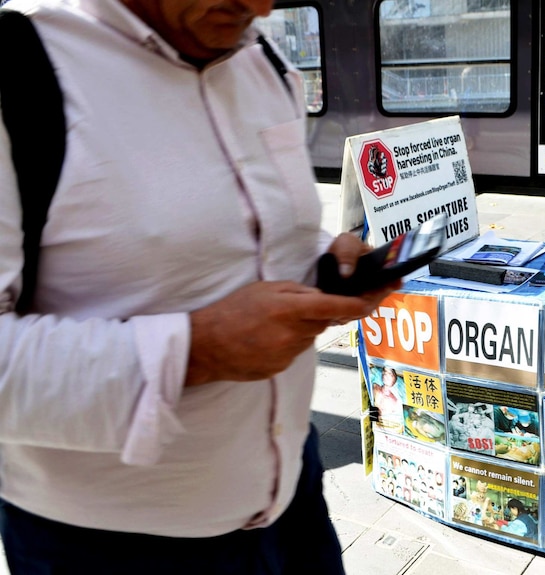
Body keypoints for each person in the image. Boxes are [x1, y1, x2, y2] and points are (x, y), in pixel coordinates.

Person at [0, 1, 400, 573]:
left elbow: (247, 226)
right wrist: (194, 351)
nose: (260, 6)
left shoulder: (261, 56)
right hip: (107, 546)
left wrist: (318, 260)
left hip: (292, 497)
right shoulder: (21, 65)